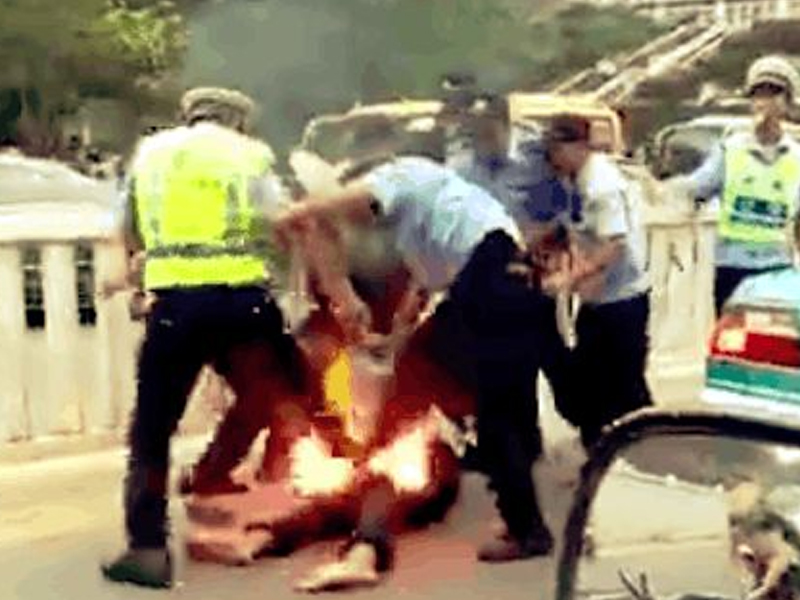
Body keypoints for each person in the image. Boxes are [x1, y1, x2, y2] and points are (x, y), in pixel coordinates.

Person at [275, 155, 554, 563]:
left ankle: (526, 530)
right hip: (508, 282)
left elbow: (341, 207)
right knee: (484, 398)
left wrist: (300, 214)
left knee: (486, 409)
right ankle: (519, 513)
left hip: (490, 282)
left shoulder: (401, 175)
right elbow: (422, 293)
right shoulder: (435, 217)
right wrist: (392, 342)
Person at [100, 87, 313, 589]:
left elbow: (125, 232)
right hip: (243, 302)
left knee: (152, 431)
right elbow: (282, 221)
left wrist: (135, 285)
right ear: (238, 120)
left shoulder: (151, 154)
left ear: (188, 114)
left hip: (174, 306)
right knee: (289, 397)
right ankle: (307, 498)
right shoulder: (250, 154)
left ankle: (147, 550)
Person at [543, 114, 652, 450]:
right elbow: (569, 226)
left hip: (621, 300)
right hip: (597, 300)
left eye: (557, 149)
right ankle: (602, 448)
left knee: (625, 389)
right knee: (591, 385)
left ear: (578, 146)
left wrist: (569, 278)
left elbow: (613, 244)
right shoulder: (572, 181)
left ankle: (646, 450)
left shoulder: (601, 184)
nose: (552, 158)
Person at [668, 55, 800, 315]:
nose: (765, 102)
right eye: (759, 94)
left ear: (787, 102)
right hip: (731, 265)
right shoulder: (730, 150)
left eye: (774, 93)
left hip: (776, 267)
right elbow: (696, 188)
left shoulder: (796, 157)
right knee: (732, 335)